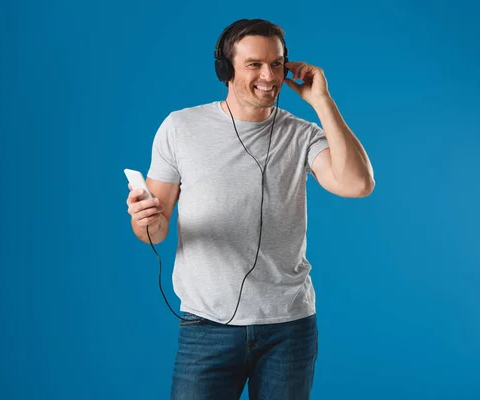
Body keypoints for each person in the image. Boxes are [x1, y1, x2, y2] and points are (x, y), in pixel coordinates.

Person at [125, 18, 375, 400]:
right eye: (254, 64)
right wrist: (144, 221)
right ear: (226, 70)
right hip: (206, 327)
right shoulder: (180, 128)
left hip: (288, 328)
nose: (269, 76)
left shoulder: (303, 134)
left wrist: (322, 102)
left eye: (276, 64)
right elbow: (154, 231)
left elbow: (358, 184)